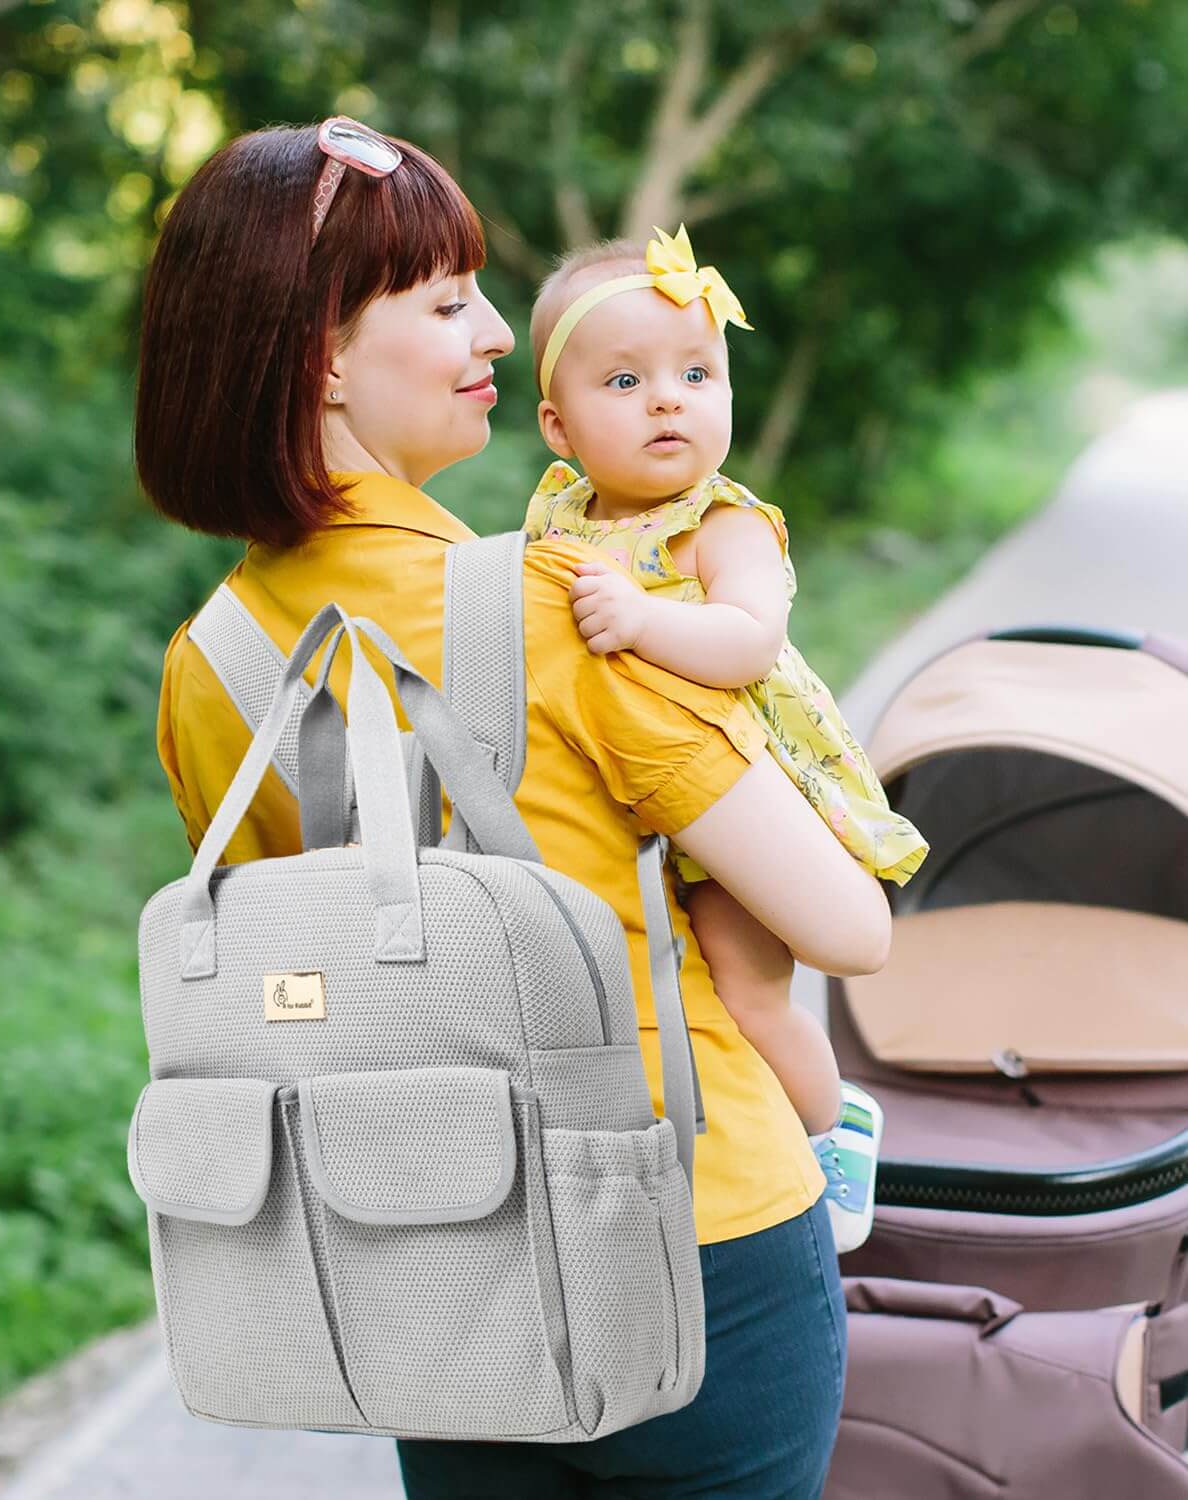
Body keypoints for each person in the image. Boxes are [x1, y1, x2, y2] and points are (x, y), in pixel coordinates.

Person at [138, 116, 891, 1498]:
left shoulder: (211, 665)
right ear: (324, 353)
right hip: (695, 1243)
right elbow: (848, 926)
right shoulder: (565, 610)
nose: (493, 334)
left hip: (435, 1257)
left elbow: (310, 979)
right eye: (445, 302)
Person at [522, 225, 927, 1252]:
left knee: (749, 992)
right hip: (648, 807)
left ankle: (836, 1135)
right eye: (625, 381)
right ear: (557, 426)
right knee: (676, 992)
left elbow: (749, 641)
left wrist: (647, 618)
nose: (668, 399)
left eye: (697, 373)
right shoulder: (557, 521)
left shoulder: (723, 524)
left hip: (755, 788)